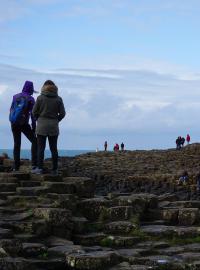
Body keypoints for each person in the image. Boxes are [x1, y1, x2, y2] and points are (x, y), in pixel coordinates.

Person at [32, 80, 66, 175]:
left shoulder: (40, 98)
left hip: (41, 125)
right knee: (53, 148)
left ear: (44, 87)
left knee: (40, 148)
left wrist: (39, 119)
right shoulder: (58, 99)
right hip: (53, 126)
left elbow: (34, 112)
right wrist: (56, 120)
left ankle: (39, 168)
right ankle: (55, 169)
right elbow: (63, 113)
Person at [9, 81, 38, 171]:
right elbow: (33, 115)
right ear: (31, 89)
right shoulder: (31, 99)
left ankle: (16, 166)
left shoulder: (15, 96)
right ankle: (34, 164)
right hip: (24, 124)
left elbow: (11, 109)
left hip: (14, 122)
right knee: (35, 141)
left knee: (17, 144)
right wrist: (34, 127)